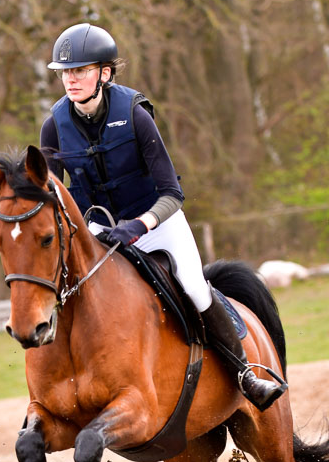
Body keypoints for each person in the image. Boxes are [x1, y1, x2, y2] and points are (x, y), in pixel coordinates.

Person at [40, 22, 285, 411]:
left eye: (80, 70)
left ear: (104, 73)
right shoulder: (54, 126)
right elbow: (52, 192)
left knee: (193, 286)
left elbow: (172, 193)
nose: (71, 80)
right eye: (66, 72)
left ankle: (245, 373)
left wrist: (140, 225)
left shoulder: (135, 115)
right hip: (99, 231)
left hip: (156, 224)